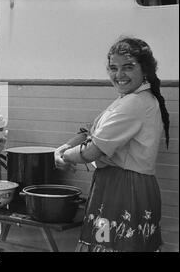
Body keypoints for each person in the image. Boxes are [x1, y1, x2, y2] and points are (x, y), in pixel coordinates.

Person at [54, 37, 170, 252]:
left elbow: (91, 151)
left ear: (144, 69)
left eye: (128, 67)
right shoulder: (130, 99)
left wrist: (62, 155)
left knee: (112, 244)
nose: (119, 75)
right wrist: (64, 148)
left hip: (124, 188)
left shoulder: (134, 103)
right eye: (113, 68)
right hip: (122, 184)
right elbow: (90, 131)